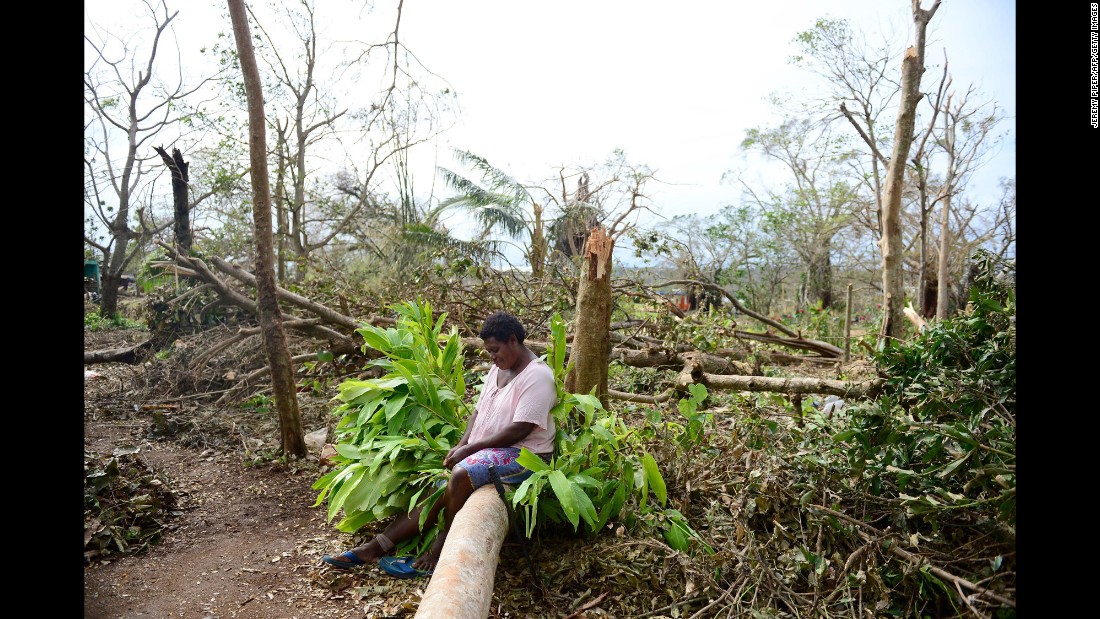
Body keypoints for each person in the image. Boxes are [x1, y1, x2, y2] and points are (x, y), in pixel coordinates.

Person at [321, 311, 558, 575]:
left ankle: (440, 547)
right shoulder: (498, 369)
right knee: (436, 486)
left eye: (495, 350)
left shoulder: (538, 376)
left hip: (525, 456)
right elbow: (478, 412)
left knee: (460, 475)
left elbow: (521, 428)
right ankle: (376, 547)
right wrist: (462, 443)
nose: (492, 357)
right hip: (489, 450)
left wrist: (470, 450)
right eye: (489, 352)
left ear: (513, 340)